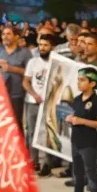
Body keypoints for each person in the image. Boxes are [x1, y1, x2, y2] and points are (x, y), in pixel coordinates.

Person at [59, 68, 97, 192]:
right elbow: (76, 116)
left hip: (89, 143)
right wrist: (71, 118)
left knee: (91, 177)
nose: (78, 82)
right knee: (77, 174)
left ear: (92, 83)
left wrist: (81, 121)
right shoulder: (78, 99)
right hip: (76, 141)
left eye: (82, 80)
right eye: (78, 79)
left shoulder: (96, 102)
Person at [23, 33, 57, 176]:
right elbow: (25, 81)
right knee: (31, 133)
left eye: (45, 45)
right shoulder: (33, 62)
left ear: (52, 47)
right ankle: (34, 161)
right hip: (32, 102)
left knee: (48, 133)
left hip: (50, 104)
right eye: (40, 45)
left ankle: (47, 164)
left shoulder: (56, 63)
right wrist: (34, 95)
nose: (42, 48)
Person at [0, 26, 32, 126]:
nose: (5, 37)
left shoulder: (25, 53)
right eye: (3, 34)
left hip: (17, 95)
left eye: (8, 34)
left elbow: (31, 73)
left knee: (15, 124)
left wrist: (12, 69)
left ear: (16, 36)